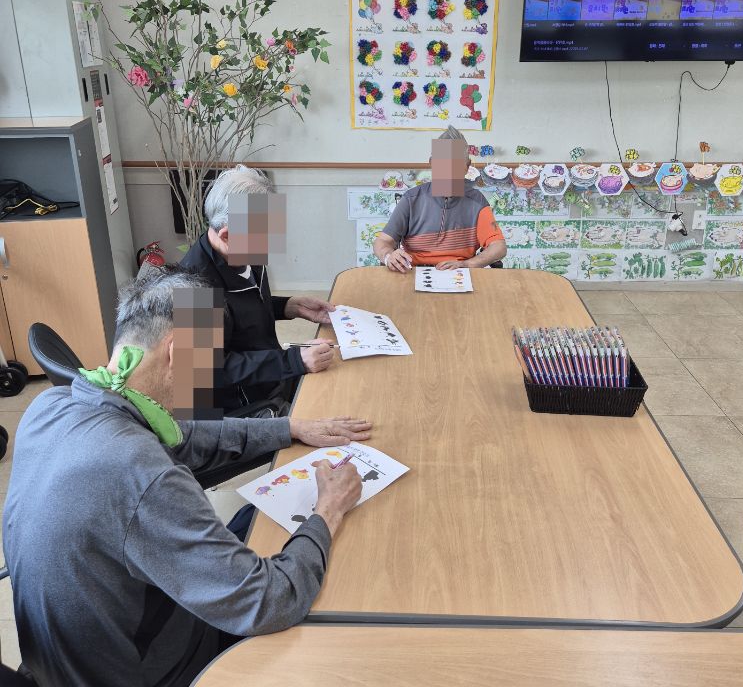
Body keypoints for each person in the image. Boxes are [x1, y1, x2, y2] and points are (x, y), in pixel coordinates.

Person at [3, 266, 371, 687]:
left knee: (250, 519)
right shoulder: (143, 475)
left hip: (68, 657)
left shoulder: (51, 405)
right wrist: (328, 510)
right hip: (145, 673)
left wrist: (289, 428)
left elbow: (180, 435)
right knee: (326, 603)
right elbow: (270, 602)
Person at [181, 165, 334, 417]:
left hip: (269, 376)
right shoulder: (194, 286)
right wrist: (294, 361)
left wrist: (288, 306)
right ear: (227, 236)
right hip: (239, 409)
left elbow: (238, 310)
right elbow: (207, 370)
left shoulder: (242, 251)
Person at [372, 126, 507, 271]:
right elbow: (383, 241)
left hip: (460, 273)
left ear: (467, 167)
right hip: (414, 272)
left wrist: (467, 264)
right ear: (432, 163)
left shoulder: (477, 201)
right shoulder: (411, 199)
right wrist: (388, 256)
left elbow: (498, 247)